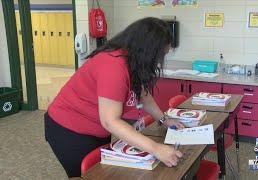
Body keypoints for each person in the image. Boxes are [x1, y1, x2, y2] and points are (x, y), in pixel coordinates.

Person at [44, 17, 184, 178]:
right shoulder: (113, 65)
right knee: (88, 175)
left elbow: (144, 96)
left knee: (105, 174)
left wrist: (165, 120)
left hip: (98, 129)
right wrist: (156, 148)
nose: (160, 61)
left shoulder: (133, 61)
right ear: (148, 50)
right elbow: (110, 121)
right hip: (69, 129)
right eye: (160, 54)